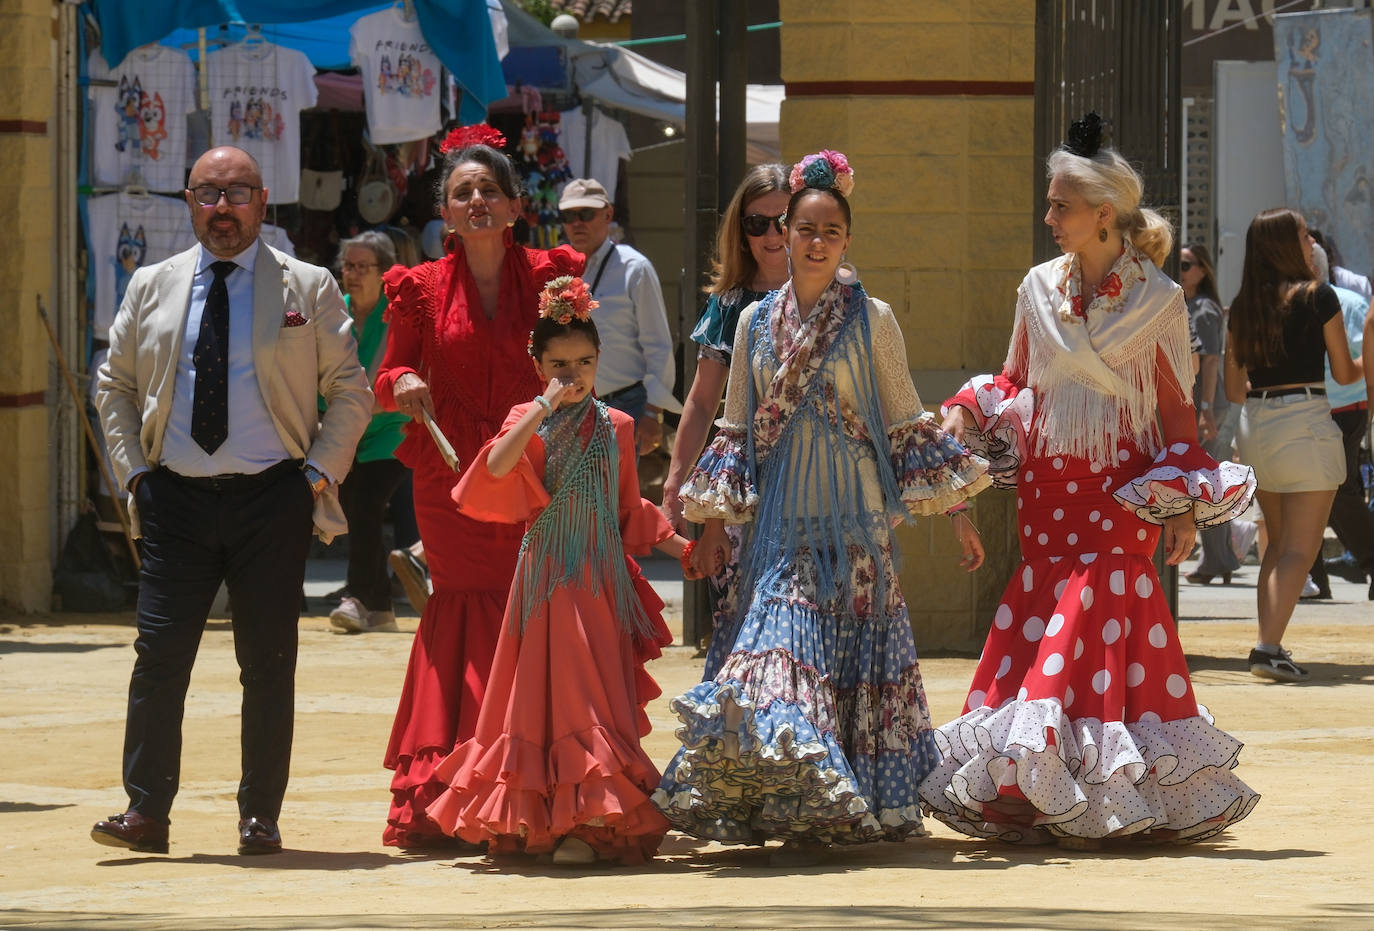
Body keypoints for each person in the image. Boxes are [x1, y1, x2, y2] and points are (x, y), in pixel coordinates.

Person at [920, 115, 1259, 848]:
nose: (1049, 217)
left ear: (1104, 214)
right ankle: (1040, 786)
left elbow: (1175, 413)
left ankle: (1100, 790)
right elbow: (1014, 378)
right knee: (1055, 619)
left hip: (1119, 492)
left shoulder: (1161, 301)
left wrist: (1183, 511)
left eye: (1060, 205)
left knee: (1095, 622)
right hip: (1048, 492)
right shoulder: (1036, 288)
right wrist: (962, 410)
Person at [652, 150, 991, 865]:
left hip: (857, 523)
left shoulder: (874, 319)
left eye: (828, 229)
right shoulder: (751, 324)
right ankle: (787, 789)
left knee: (846, 666)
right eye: (799, 227)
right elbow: (735, 429)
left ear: (845, 239)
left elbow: (905, 420)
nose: (811, 240)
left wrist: (958, 511)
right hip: (779, 527)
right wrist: (711, 525)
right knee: (771, 655)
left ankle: (838, 804)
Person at [91, 145, 372, 855]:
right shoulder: (151, 284)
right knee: (159, 658)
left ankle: (259, 817)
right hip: (174, 500)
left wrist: (316, 475)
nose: (223, 208)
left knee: (269, 660)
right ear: (189, 202)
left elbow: (351, 390)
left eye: (238, 192)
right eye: (209, 194)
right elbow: (114, 387)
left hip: (271, 499)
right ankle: (146, 812)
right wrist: (134, 477)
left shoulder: (305, 287)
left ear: (263, 200)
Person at [425, 277, 699, 865]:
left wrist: (683, 548)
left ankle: (589, 825)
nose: (572, 374)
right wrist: (544, 404)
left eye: (584, 362)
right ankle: (540, 821)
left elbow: (630, 511)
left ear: (600, 360)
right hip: (544, 580)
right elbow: (495, 465)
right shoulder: (529, 417)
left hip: (599, 583)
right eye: (558, 364)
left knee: (592, 699)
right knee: (539, 697)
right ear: (537, 364)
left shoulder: (618, 428)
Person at [374, 127, 584, 848]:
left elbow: (580, 365)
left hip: (533, 471)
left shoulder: (554, 279)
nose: (477, 200)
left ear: (516, 204)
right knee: (462, 610)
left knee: (533, 611)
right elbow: (386, 374)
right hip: (450, 480)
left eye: (489, 189)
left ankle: (526, 785)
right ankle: (454, 792)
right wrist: (402, 379)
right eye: (463, 192)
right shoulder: (419, 289)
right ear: (446, 212)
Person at [1226, 208, 1362, 682]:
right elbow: (1346, 373)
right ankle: (1267, 648)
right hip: (1304, 419)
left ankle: (1269, 644)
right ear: (1287, 243)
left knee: (1277, 544)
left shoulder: (1244, 303)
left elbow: (1231, 389)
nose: (1311, 242)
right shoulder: (1317, 296)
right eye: (1304, 235)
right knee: (1299, 550)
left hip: (1256, 421)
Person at [660, 163, 790, 657]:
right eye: (758, 223)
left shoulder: (836, 292)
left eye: (785, 219)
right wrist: (675, 482)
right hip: (741, 484)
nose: (773, 234)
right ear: (742, 232)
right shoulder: (729, 304)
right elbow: (700, 400)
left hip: (818, 477)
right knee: (740, 611)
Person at [558, 177, 681, 452]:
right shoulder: (557, 268)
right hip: (568, 406)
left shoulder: (634, 267)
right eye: (568, 215)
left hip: (625, 404)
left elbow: (658, 344)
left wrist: (652, 413)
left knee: (616, 495)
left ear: (608, 214)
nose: (577, 222)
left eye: (586, 213)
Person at [328, 231, 411, 633]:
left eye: (363, 267)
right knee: (360, 511)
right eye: (348, 265)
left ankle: (356, 596)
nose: (353, 274)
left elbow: (382, 384)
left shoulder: (395, 315)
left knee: (362, 504)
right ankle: (379, 607)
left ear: (384, 272)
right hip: (343, 430)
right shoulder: (333, 312)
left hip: (390, 431)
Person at [1305, 238, 1374, 600]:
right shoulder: (1290, 303)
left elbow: (1367, 359)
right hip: (1315, 406)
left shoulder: (1348, 303)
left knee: (1342, 493)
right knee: (1308, 491)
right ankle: (1312, 578)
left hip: (1345, 408)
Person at [1180, 243, 1241, 587]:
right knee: (1206, 485)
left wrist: (1204, 410)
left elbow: (1211, 359)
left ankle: (1219, 560)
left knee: (1207, 486)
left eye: (1186, 265)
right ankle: (1219, 559)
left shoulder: (1203, 310)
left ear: (1203, 271)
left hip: (1210, 407)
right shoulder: (1190, 305)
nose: (1181, 270)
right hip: (1205, 406)